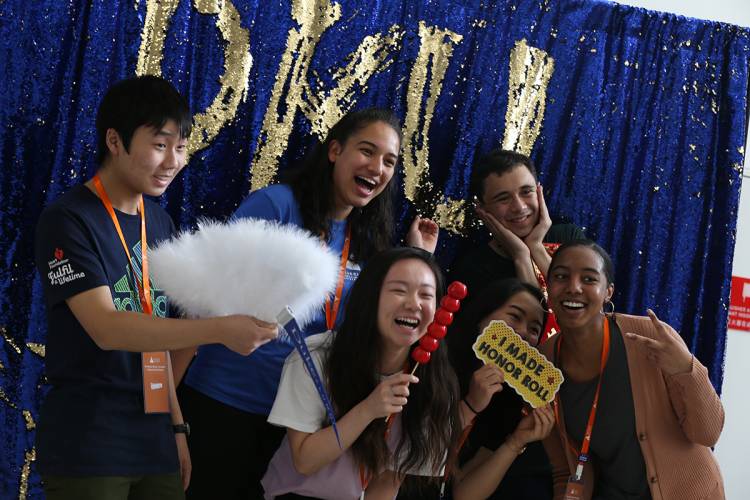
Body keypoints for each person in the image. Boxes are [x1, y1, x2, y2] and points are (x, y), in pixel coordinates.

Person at [33, 75, 277, 500]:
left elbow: (159, 342)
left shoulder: (160, 222)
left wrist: (176, 426)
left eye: (181, 147)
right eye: (160, 145)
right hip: (91, 439)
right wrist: (220, 329)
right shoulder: (68, 220)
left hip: (154, 434)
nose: (174, 161)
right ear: (114, 140)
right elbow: (108, 328)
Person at [176, 108, 440, 499]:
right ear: (335, 150)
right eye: (367, 151)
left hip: (302, 423)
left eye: (389, 161)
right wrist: (172, 418)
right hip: (226, 404)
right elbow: (199, 302)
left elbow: (376, 324)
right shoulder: (275, 206)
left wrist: (417, 258)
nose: (377, 167)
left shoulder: (368, 239)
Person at [261, 247, 461, 499]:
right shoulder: (316, 357)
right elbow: (304, 460)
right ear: (370, 297)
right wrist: (369, 409)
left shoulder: (434, 382)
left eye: (426, 295)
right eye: (399, 290)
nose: (414, 304)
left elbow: (387, 482)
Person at [541, 239, 725, 499]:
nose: (573, 287)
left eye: (589, 279)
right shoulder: (544, 361)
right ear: (549, 286)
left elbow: (708, 433)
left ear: (608, 292)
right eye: (561, 276)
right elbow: (565, 468)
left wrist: (687, 369)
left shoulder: (649, 336)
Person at [450, 149, 584, 341]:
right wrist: (521, 256)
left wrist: (536, 247)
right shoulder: (473, 270)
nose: (519, 207)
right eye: (503, 198)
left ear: (539, 191)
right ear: (482, 209)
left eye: (526, 192)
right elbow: (541, 334)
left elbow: (582, 308)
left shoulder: (568, 237)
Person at [447, 279, 555, 499]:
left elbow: (464, 494)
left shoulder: (511, 401)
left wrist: (515, 442)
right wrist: (470, 405)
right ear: (481, 318)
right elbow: (415, 456)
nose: (523, 332)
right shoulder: (437, 365)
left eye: (534, 329)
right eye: (514, 316)